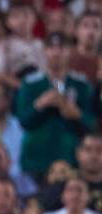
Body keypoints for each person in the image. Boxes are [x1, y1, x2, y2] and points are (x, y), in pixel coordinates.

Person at [16, 32, 96, 180]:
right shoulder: (30, 83)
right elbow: (22, 121)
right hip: (36, 159)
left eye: (62, 48)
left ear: (70, 51)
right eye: (51, 47)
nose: (56, 52)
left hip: (71, 158)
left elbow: (93, 123)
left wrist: (76, 114)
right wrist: (39, 105)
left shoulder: (82, 84)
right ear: (44, 51)